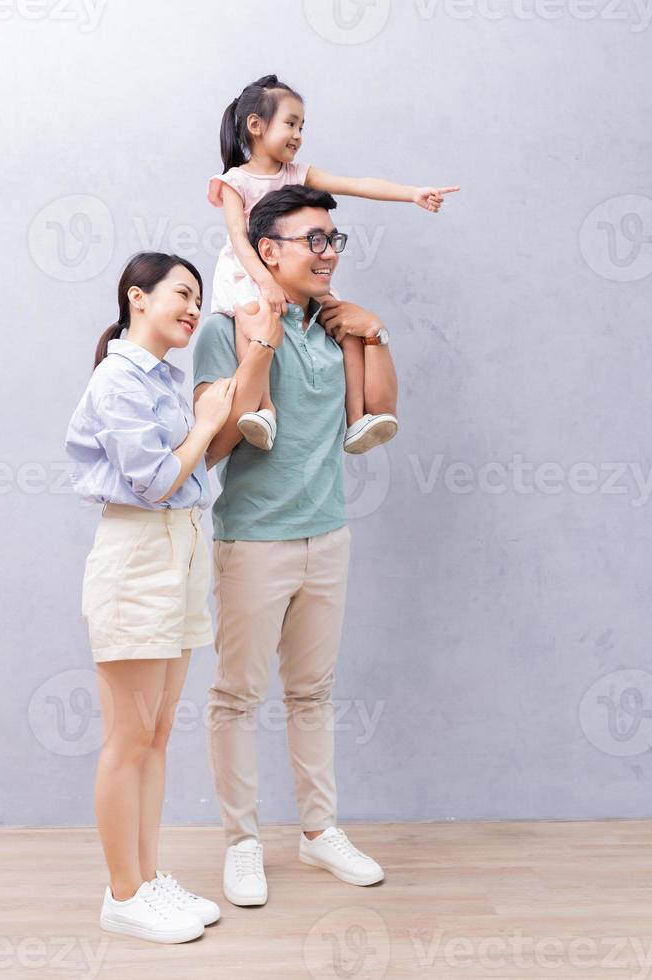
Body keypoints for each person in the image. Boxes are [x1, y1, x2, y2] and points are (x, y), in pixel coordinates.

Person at [193, 184, 397, 907]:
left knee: (313, 692)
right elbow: (214, 446)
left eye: (333, 240)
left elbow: (376, 416)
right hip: (253, 542)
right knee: (237, 697)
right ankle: (243, 843)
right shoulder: (227, 328)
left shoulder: (336, 322)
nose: (328, 253)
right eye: (313, 239)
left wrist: (374, 332)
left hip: (328, 535)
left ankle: (319, 834)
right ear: (265, 250)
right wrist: (265, 342)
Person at [65, 251, 236, 944]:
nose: (194, 307)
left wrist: (208, 416)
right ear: (139, 297)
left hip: (179, 548)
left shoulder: (167, 378)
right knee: (127, 738)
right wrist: (203, 423)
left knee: (158, 734)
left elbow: (190, 477)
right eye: (182, 293)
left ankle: (148, 876)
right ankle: (122, 892)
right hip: (137, 558)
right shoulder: (118, 378)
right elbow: (155, 480)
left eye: (199, 296)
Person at [207, 72, 458, 454]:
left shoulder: (298, 173)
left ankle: (357, 418)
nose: (298, 135)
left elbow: (356, 184)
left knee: (345, 323)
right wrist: (266, 282)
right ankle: (265, 409)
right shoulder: (234, 181)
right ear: (256, 126)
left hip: (292, 272)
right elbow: (240, 241)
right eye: (290, 123)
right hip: (251, 268)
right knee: (253, 317)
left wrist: (412, 194)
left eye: (302, 126)